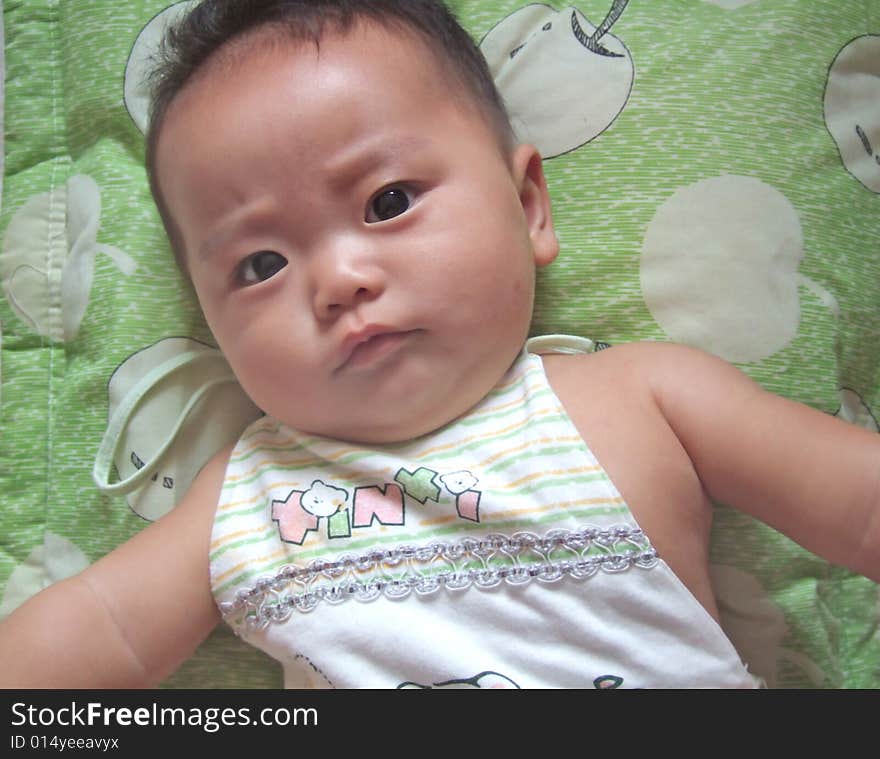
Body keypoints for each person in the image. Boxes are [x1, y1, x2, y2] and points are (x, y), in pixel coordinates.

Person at [1, 0, 877, 689]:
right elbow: (100, 632)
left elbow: (856, 501)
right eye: (260, 263)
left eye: (387, 202)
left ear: (528, 204)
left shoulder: (640, 394)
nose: (337, 279)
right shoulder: (248, 491)